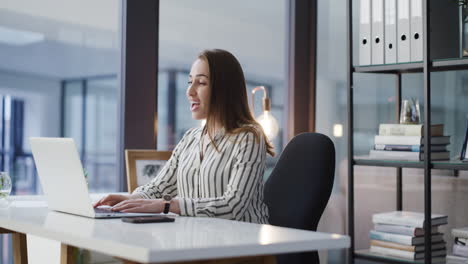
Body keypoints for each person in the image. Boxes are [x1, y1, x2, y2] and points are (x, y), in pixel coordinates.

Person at [94, 49, 274, 224]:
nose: (190, 92)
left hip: (243, 243)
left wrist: (168, 205)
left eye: (201, 83)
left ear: (224, 89)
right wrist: (129, 199)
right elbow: (159, 187)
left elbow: (233, 206)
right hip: (199, 236)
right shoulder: (191, 138)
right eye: (190, 82)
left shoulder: (249, 137)